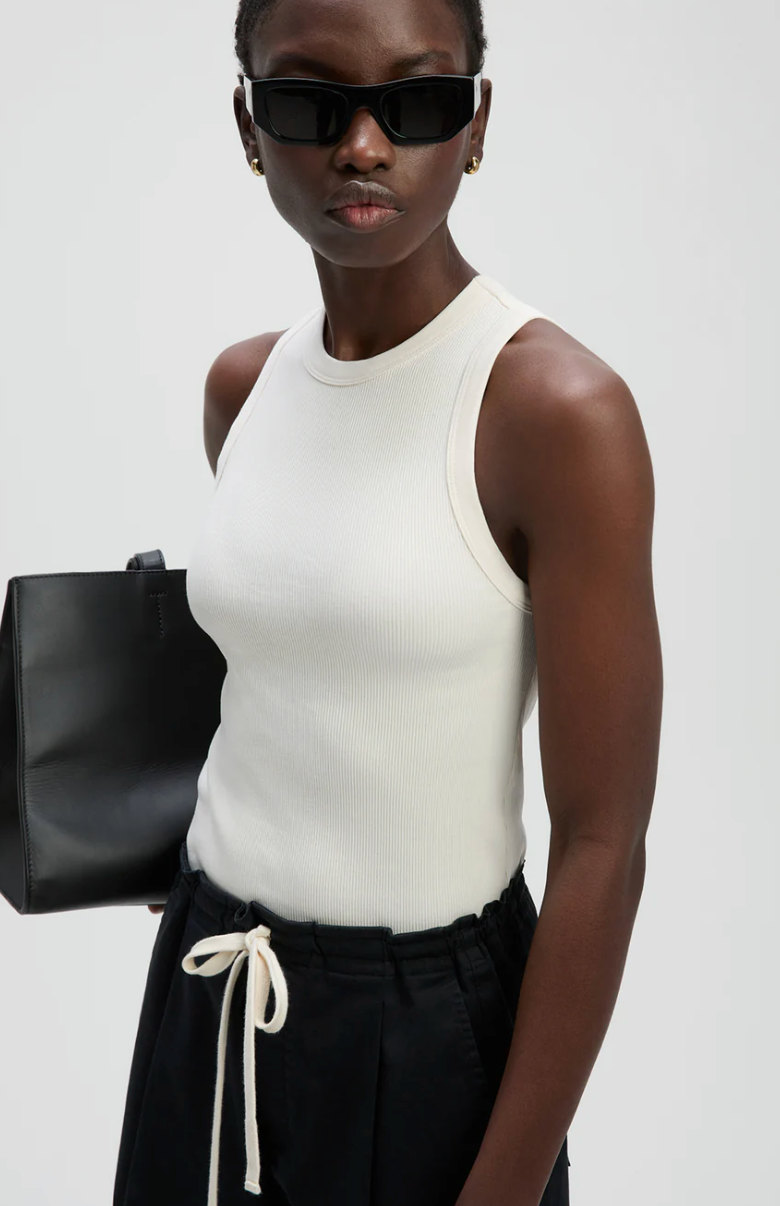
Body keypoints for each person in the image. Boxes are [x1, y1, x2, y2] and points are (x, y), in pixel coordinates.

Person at [115, 1, 662, 1204]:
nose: (363, 147)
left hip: (426, 1037)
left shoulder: (558, 415)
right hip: (210, 984)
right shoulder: (244, 389)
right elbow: (288, 668)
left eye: (416, 101)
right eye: (308, 102)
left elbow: (604, 844)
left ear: (477, 122)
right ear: (250, 125)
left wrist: (505, 1187)